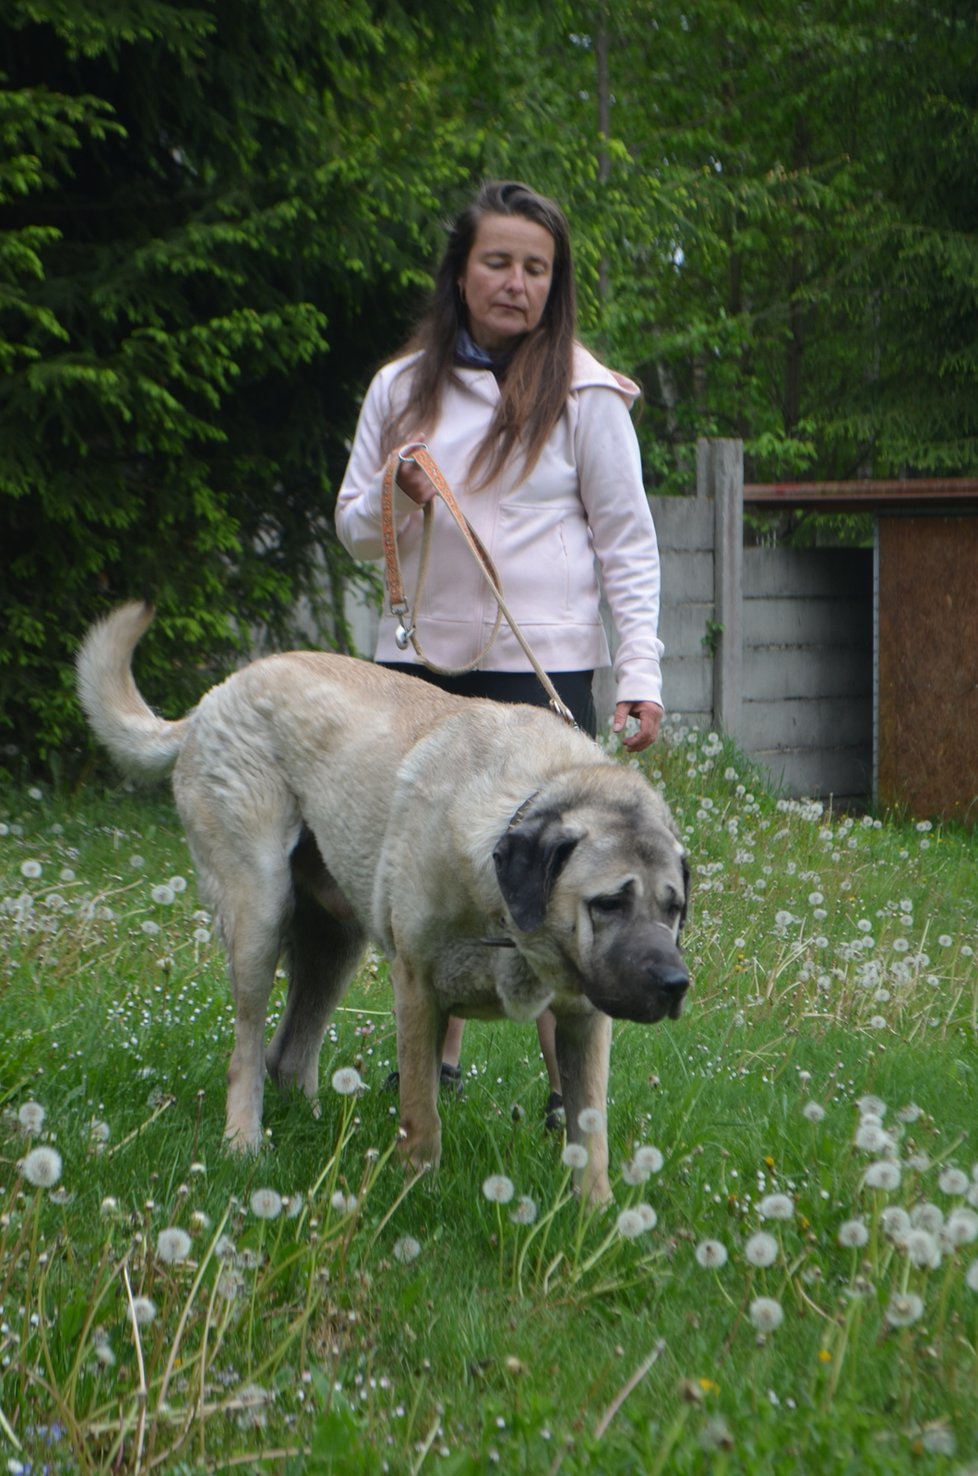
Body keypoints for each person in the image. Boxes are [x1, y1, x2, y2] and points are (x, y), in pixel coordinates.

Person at [335, 179, 664, 1126]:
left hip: (542, 668)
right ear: (461, 271)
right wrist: (398, 491)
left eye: (535, 267)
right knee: (432, 873)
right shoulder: (400, 389)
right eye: (497, 262)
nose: (515, 283)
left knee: (560, 872)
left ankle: (569, 1094)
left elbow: (627, 542)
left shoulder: (588, 394)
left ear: (553, 285)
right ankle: (433, 1062)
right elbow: (355, 530)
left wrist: (638, 671)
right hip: (418, 670)